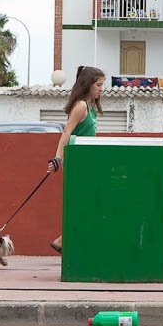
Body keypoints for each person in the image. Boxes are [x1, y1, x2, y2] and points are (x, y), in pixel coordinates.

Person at [47, 65, 105, 254]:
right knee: (86, 203)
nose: (101, 88)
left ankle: (65, 239)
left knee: (88, 202)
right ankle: (63, 239)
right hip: (77, 163)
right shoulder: (80, 106)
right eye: (98, 85)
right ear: (88, 85)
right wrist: (57, 158)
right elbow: (66, 132)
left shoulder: (92, 107)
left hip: (88, 162)